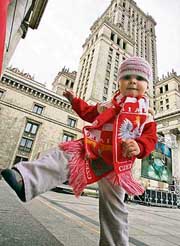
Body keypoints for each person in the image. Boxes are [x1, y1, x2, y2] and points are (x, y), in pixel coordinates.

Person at [1, 56, 157, 246]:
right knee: (62, 156)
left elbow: (150, 139)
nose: (133, 80)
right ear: (119, 82)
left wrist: (139, 146)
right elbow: (89, 112)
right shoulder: (109, 105)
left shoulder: (146, 116)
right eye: (128, 77)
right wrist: (74, 101)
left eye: (140, 78)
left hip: (117, 166)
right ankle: (25, 180)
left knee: (114, 210)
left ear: (147, 86)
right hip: (93, 149)